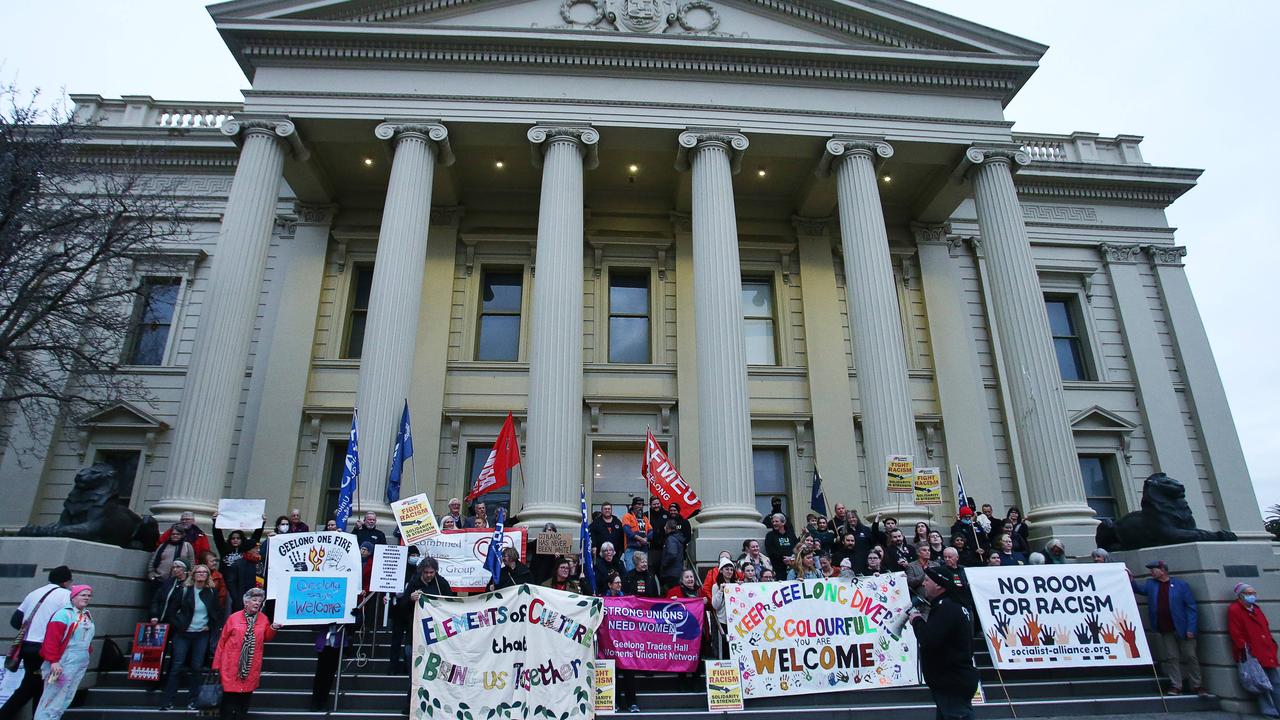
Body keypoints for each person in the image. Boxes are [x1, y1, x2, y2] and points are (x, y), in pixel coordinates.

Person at [0, 566, 72, 720]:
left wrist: (33, 629)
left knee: (38, 685)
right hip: (47, 649)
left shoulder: (34, 593)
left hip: (27, 647)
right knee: (31, 687)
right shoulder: (67, 596)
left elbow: (15, 620)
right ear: (66, 582)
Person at [908, 566, 979, 720]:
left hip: (951, 680)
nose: (924, 584)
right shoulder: (953, 605)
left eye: (927, 580)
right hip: (951, 679)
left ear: (939, 585)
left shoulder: (946, 607)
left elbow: (929, 639)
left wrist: (917, 620)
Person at [1131, 560, 1203, 696]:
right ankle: (1176, 685)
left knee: (1190, 656)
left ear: (1163, 570)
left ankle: (1196, 684)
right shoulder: (1151, 585)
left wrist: (1191, 628)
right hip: (1165, 628)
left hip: (1182, 627)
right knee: (1172, 657)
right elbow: (1138, 589)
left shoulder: (1180, 585)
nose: (1151, 572)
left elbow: (1191, 607)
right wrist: (1131, 580)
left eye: (1154, 569)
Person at [160, 564, 225, 711]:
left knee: (197, 667)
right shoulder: (184, 590)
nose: (201, 574)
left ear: (208, 575)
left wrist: (210, 625)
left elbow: (217, 612)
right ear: (193, 574)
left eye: (204, 572)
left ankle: (193, 700)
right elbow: (171, 611)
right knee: (177, 665)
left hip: (201, 633)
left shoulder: (211, 592)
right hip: (183, 633)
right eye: (198, 572)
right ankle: (167, 700)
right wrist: (179, 625)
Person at [212, 588, 281, 720]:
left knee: (244, 701)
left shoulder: (263, 618)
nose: (257, 603)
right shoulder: (233, 618)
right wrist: (216, 665)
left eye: (259, 601)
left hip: (250, 665)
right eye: (254, 600)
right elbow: (222, 642)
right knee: (228, 701)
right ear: (246, 602)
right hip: (231, 665)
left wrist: (273, 628)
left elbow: (266, 637)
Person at [33, 585, 95, 720]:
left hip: (79, 661)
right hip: (63, 661)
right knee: (52, 697)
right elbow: (51, 640)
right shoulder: (63, 614)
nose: (87, 598)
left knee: (66, 697)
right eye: (83, 595)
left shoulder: (86, 615)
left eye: (89, 595)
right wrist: (54, 661)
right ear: (73, 597)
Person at [1227, 582, 1280, 717]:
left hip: (1266, 650)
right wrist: (1244, 648)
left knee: (1275, 681)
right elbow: (1235, 632)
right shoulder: (1235, 610)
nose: (1252, 596)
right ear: (1240, 595)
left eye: (1253, 593)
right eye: (1249, 593)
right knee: (1259, 684)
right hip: (1251, 653)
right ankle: (1269, 711)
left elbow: (1265, 628)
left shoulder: (1256, 609)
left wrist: (1272, 644)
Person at [211, 512, 264, 612]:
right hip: (225, 583)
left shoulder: (245, 551)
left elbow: (256, 537)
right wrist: (215, 521)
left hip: (239, 585)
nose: (235, 540)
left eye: (238, 538)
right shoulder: (224, 549)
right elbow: (218, 537)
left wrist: (261, 522)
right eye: (233, 538)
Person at [311, 608, 360, 711]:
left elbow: (355, 626)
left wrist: (355, 616)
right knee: (321, 673)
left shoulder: (347, 606)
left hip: (338, 644)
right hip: (324, 644)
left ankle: (323, 699)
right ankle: (316, 700)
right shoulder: (323, 607)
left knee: (330, 674)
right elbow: (313, 625)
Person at [147, 528, 194, 595]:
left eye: (178, 534)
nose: (175, 536)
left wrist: (188, 577)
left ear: (182, 535)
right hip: (159, 580)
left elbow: (191, 562)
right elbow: (153, 561)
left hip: (178, 581)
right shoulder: (163, 546)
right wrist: (152, 575)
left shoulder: (187, 546)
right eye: (173, 534)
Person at [150, 560, 189, 626]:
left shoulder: (189, 585)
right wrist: (154, 615)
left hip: (177, 623)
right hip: (161, 620)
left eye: (178, 567)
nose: (175, 569)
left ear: (185, 569)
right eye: (173, 567)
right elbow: (156, 599)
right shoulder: (168, 582)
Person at [620, 497, 650, 572]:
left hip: (643, 549)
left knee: (643, 571)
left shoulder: (645, 518)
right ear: (633, 505)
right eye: (638, 504)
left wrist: (646, 538)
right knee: (631, 571)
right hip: (631, 548)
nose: (640, 506)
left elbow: (651, 531)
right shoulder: (627, 516)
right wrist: (640, 539)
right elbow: (627, 531)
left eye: (642, 504)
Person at [660, 519, 686, 588]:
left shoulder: (671, 539)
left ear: (668, 528)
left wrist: (663, 564)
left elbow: (672, 554)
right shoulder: (678, 538)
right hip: (677, 571)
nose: (664, 528)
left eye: (665, 526)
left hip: (671, 572)